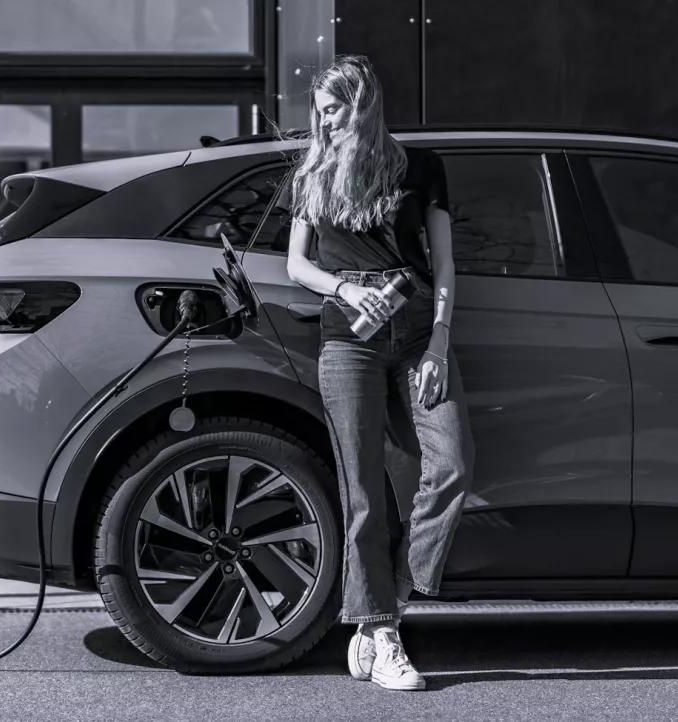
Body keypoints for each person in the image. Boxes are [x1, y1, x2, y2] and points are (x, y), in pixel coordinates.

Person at [284, 55, 475, 691]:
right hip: (349, 340)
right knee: (363, 488)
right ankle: (385, 633)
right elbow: (296, 266)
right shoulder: (313, 169)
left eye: (332, 108)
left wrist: (440, 343)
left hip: (419, 326)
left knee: (451, 465)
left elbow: (444, 265)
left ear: (361, 102)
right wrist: (343, 288)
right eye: (319, 110)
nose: (323, 121)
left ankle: (382, 606)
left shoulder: (419, 167)